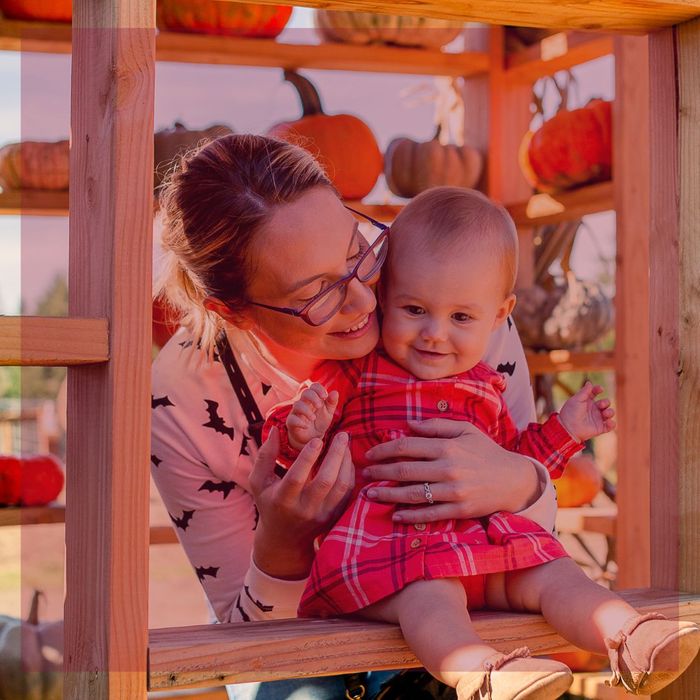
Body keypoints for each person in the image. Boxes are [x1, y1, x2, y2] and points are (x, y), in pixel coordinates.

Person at [151, 134, 562, 700]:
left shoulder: (448, 301)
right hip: (300, 652)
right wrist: (282, 544)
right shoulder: (184, 398)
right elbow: (245, 644)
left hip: (460, 618)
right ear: (232, 310)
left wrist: (517, 481)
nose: (366, 301)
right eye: (318, 293)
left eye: (356, 250)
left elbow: (538, 531)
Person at [266, 187, 700, 700]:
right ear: (385, 297)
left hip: (487, 545)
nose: (434, 334)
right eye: (414, 308)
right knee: (430, 598)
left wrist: (566, 429)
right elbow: (301, 454)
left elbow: (516, 459)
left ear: (499, 315)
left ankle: (630, 637)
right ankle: (485, 675)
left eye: (461, 318)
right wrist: (303, 430)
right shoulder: (356, 373)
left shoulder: (487, 384)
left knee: (555, 572)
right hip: (395, 547)